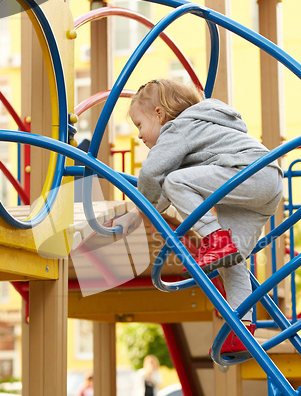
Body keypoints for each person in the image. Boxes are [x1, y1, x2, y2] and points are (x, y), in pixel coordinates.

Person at [114, 79, 283, 358]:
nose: (139, 136)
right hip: (267, 185)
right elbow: (170, 188)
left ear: (159, 113)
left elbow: (152, 174)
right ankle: (242, 329)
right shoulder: (203, 127)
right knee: (232, 261)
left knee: (177, 183)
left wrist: (137, 205)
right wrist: (137, 214)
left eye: (139, 125)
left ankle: (214, 239)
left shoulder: (178, 127)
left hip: (248, 173)